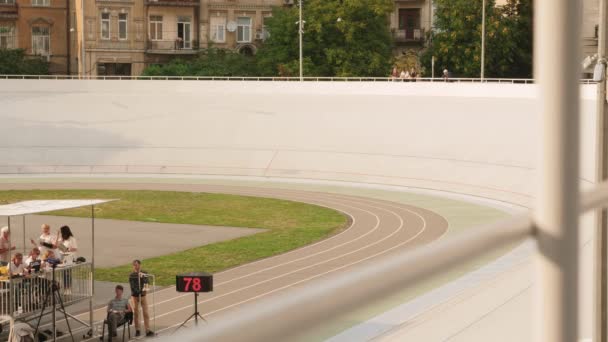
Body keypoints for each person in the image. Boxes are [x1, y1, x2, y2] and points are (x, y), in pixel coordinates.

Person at [129, 260, 153, 337]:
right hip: (135, 296)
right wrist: (138, 293)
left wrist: (144, 291)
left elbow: (147, 283)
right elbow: (132, 286)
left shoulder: (144, 273)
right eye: (134, 265)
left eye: (137, 265)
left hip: (143, 296)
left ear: (140, 265)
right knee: (136, 313)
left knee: (146, 313)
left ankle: (147, 330)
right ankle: (137, 330)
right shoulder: (132, 275)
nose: (135, 267)